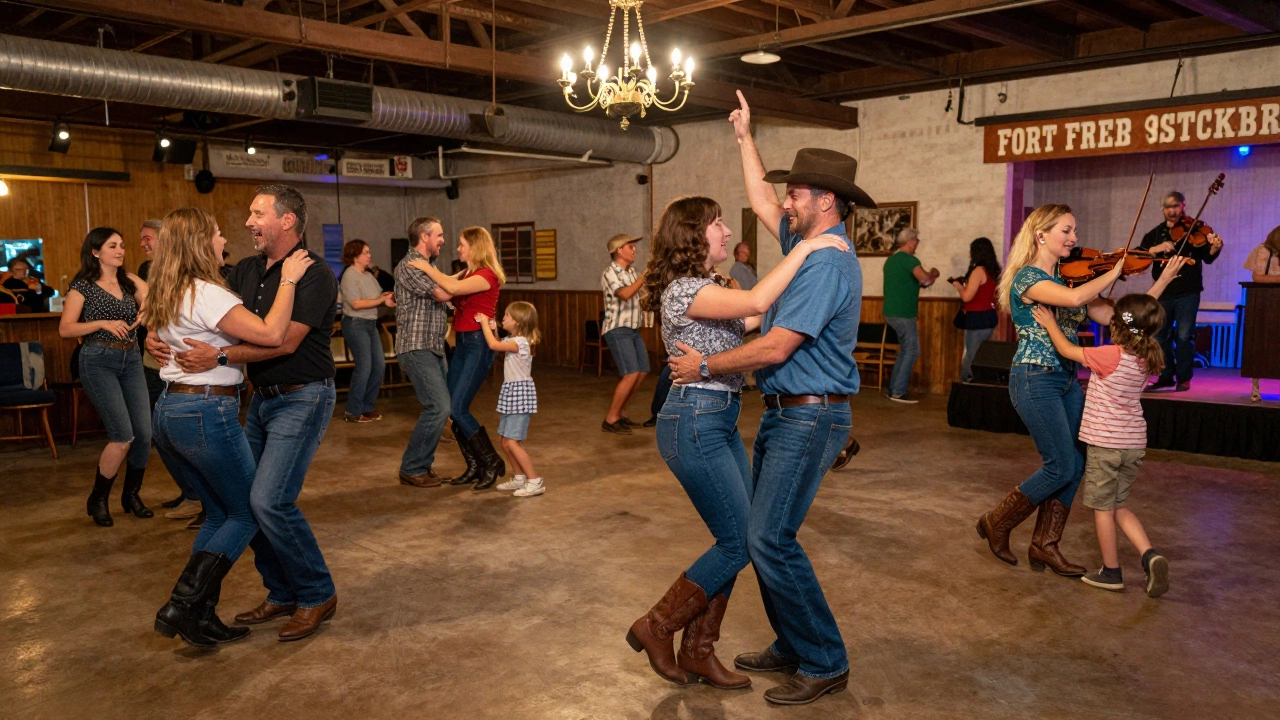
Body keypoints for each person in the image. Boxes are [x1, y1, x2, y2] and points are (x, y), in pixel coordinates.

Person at [668, 91, 875, 706]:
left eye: (797, 194)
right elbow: (761, 198)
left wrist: (703, 362)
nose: (785, 202)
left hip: (810, 416)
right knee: (766, 535)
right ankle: (792, 643)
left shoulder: (826, 264)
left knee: (769, 539)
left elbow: (775, 347)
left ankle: (824, 658)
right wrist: (743, 137)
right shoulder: (804, 247)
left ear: (825, 201)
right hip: (789, 415)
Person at [629, 195, 848, 692]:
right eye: (717, 224)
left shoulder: (707, 288)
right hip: (693, 422)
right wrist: (808, 249)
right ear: (692, 235)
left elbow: (752, 322)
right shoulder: (685, 289)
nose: (726, 232)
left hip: (719, 419)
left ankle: (697, 651)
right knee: (737, 540)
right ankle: (657, 627)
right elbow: (754, 303)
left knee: (745, 537)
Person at [148, 184, 339, 641]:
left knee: (267, 501)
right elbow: (208, 320)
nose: (248, 223)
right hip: (260, 399)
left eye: (258, 213)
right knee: (244, 503)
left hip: (303, 395)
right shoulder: (244, 271)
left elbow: (284, 340)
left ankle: (317, 593)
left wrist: (217, 360)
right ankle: (281, 592)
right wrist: (156, 337)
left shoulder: (314, 273)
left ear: (287, 220)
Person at [976, 204, 1184, 579]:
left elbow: (1121, 318)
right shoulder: (1028, 278)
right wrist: (1115, 270)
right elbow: (1073, 302)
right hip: (1034, 376)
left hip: (1068, 379)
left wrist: (1161, 282)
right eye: (1066, 231)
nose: (1074, 239)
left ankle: (1045, 544)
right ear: (1041, 235)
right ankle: (997, 521)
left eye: (1074, 231)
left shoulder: (1073, 280)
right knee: (1061, 465)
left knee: (1077, 464)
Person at [1031, 289, 1177, 598]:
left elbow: (1067, 350)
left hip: (1105, 445)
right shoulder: (1146, 355)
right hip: (1133, 443)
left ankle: (1111, 572)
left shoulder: (1110, 355)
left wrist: (1049, 323)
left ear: (1118, 326)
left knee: (1103, 509)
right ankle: (1149, 555)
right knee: (1119, 506)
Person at [59, 227, 153, 527]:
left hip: (132, 359)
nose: (121, 250)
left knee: (144, 434)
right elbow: (66, 329)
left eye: (122, 245)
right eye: (113, 246)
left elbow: (153, 300)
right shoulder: (82, 287)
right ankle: (98, 498)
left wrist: (146, 314)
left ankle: (131, 496)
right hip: (98, 360)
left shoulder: (130, 281)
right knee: (123, 436)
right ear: (96, 252)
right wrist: (101, 322)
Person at [408, 227, 507, 490]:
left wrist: (425, 266)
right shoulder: (469, 272)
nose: (459, 249)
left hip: (477, 345)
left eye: (463, 244)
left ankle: (491, 461)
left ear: (475, 247)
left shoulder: (487, 275)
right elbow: (448, 286)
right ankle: (474, 465)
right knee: (451, 409)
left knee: (459, 407)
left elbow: (450, 286)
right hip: (463, 343)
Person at [138, 219, 204, 523]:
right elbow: (153, 311)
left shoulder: (184, 273)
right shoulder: (147, 270)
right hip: (154, 363)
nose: (143, 244)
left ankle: (201, 497)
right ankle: (191, 491)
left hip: (179, 366)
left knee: (182, 436)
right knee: (161, 436)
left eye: (148, 238)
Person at [1138, 191, 1223, 392]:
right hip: (1163, 292)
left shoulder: (1195, 229)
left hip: (1188, 291)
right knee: (1159, 337)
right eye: (1168, 207)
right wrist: (1155, 249)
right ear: (1162, 209)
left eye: (1176, 206)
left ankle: (1184, 378)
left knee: (1184, 336)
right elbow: (1139, 255)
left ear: (1183, 205)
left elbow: (1208, 257)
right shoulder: (1155, 234)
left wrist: (1215, 247)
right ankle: (1166, 376)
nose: (1172, 210)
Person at [392, 217, 453, 488]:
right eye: (439, 235)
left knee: (444, 407)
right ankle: (413, 467)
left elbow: (447, 301)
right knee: (438, 407)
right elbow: (442, 294)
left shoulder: (430, 267)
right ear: (424, 237)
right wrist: (469, 281)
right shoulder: (409, 266)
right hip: (416, 346)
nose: (442, 240)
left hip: (433, 346)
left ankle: (421, 465)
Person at [477, 302, 544, 498]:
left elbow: (493, 345)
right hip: (511, 395)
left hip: (520, 396)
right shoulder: (514, 339)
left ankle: (534, 480)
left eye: (506, 315)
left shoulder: (521, 342)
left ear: (517, 321)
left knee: (513, 442)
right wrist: (494, 329)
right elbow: (499, 342)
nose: (503, 317)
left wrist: (483, 324)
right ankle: (519, 477)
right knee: (505, 442)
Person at [339, 239, 395, 423]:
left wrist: (389, 298)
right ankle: (352, 411)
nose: (369, 255)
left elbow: (380, 297)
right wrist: (380, 300)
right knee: (364, 367)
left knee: (379, 365)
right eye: (366, 252)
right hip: (355, 324)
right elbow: (356, 304)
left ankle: (367, 407)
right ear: (355, 256)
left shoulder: (368, 275)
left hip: (370, 324)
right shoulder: (349, 275)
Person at [882, 227, 939, 403]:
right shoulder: (909, 260)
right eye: (916, 241)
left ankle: (893, 388)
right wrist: (934, 274)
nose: (917, 244)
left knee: (906, 350)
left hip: (891, 312)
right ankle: (898, 391)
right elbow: (925, 280)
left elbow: (909, 283)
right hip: (903, 313)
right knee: (913, 350)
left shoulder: (890, 261)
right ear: (910, 241)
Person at [600, 233, 648, 434]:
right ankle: (610, 419)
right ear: (619, 250)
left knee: (643, 370)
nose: (634, 249)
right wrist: (644, 276)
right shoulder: (609, 273)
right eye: (630, 246)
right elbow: (625, 294)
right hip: (617, 329)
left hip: (633, 328)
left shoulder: (632, 272)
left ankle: (622, 413)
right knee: (631, 372)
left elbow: (641, 295)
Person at [951, 237, 1001, 383]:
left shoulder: (979, 270)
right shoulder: (994, 270)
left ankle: (967, 385)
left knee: (971, 355)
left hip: (977, 318)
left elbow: (967, 297)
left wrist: (958, 285)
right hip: (989, 317)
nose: (969, 253)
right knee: (982, 355)